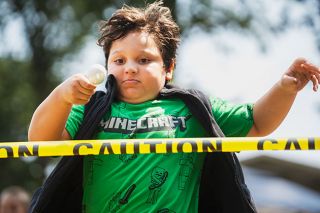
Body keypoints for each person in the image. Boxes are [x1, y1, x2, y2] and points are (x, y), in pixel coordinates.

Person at [28, 1, 320, 213]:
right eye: (119, 61)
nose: (130, 68)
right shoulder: (89, 108)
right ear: (107, 66)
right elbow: (40, 141)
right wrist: (61, 97)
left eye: (144, 60)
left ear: (168, 68)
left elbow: (257, 123)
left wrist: (285, 88)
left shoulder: (191, 107)